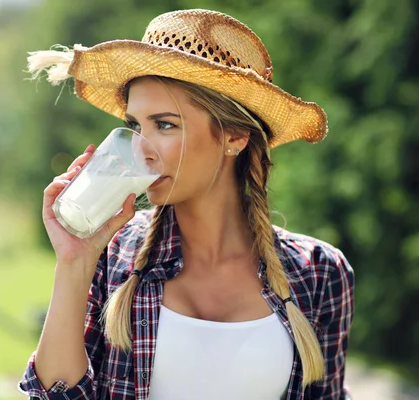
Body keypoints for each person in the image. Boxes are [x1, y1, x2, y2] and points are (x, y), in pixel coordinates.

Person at [19, 9, 355, 400]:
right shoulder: (115, 254)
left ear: (234, 137)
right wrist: (74, 263)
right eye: (135, 126)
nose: (140, 150)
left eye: (164, 125)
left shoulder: (318, 273)